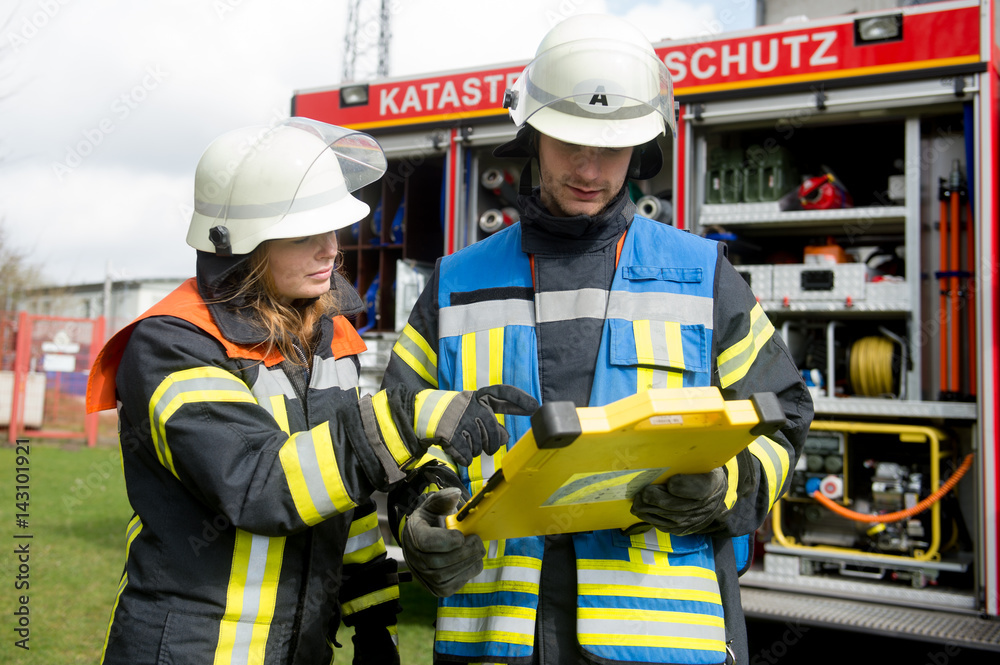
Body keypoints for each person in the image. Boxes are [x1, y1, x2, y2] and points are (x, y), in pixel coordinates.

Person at [383, 14, 814, 665]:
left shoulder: (701, 275)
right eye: (570, 143)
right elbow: (402, 426)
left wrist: (724, 486)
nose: (589, 168)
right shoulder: (456, 284)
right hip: (494, 640)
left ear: (640, 150)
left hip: (660, 642)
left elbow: (785, 414)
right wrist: (419, 515)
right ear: (533, 135)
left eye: (611, 148)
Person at [85, 117, 538, 665]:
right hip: (191, 650)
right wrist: (405, 419)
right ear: (239, 245)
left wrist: (372, 620)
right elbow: (260, 485)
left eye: (334, 228)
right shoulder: (172, 346)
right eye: (304, 235)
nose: (331, 250)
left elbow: (340, 492)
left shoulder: (327, 337)